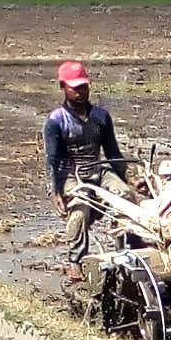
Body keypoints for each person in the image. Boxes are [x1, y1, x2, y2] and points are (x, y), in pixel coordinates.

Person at [42, 61, 133, 282]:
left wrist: (130, 178)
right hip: (70, 174)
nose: (81, 91)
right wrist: (54, 191)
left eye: (83, 86)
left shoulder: (101, 117)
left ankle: (125, 250)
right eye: (75, 87)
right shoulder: (56, 121)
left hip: (98, 169)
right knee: (80, 205)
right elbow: (52, 161)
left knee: (125, 197)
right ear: (63, 86)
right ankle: (75, 261)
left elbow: (112, 153)